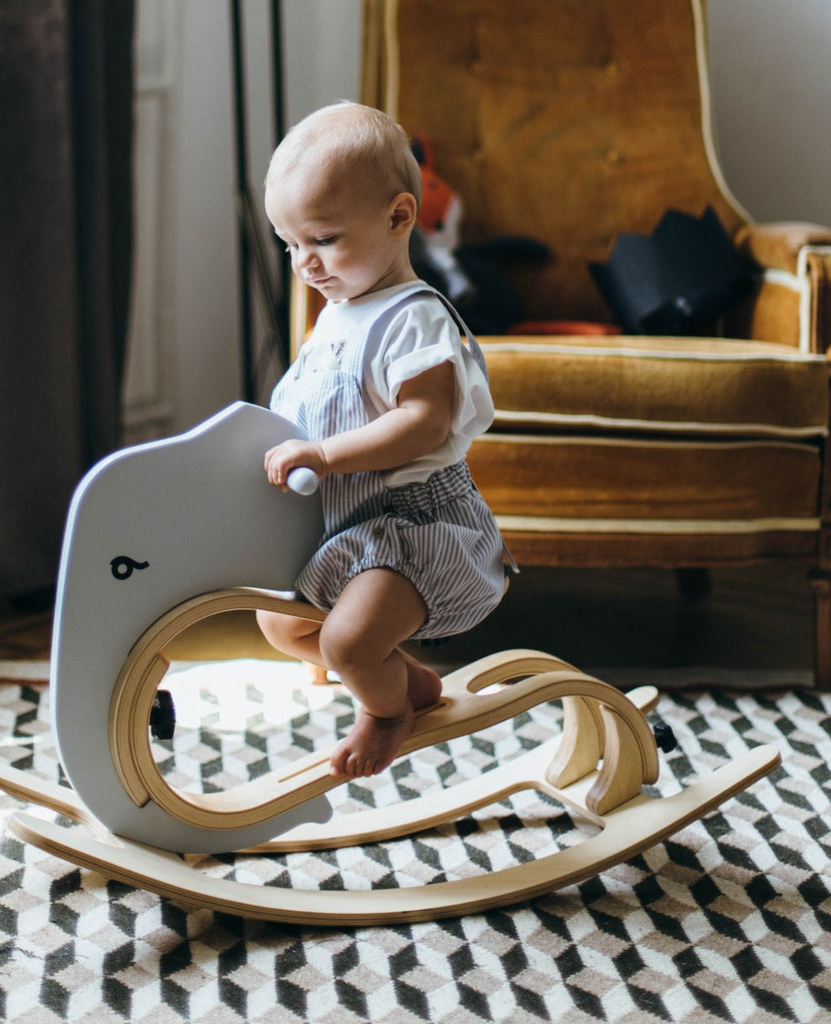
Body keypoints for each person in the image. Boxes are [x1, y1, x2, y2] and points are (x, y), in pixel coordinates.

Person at [256, 101, 509, 779]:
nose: (305, 264)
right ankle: (411, 683)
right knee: (280, 625)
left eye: (325, 239)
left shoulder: (414, 316)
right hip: (355, 532)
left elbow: (423, 421)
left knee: (346, 641)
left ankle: (388, 713)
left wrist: (325, 455)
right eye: (291, 245)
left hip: (420, 527)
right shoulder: (338, 313)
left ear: (399, 218)